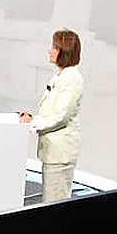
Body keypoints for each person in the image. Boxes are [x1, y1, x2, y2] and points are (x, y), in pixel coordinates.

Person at [20, 29, 85, 203]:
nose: (50, 51)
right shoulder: (63, 76)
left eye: (54, 47)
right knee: (52, 202)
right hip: (54, 151)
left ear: (64, 51)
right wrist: (33, 118)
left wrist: (32, 123)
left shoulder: (72, 78)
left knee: (55, 203)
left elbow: (61, 116)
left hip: (61, 152)